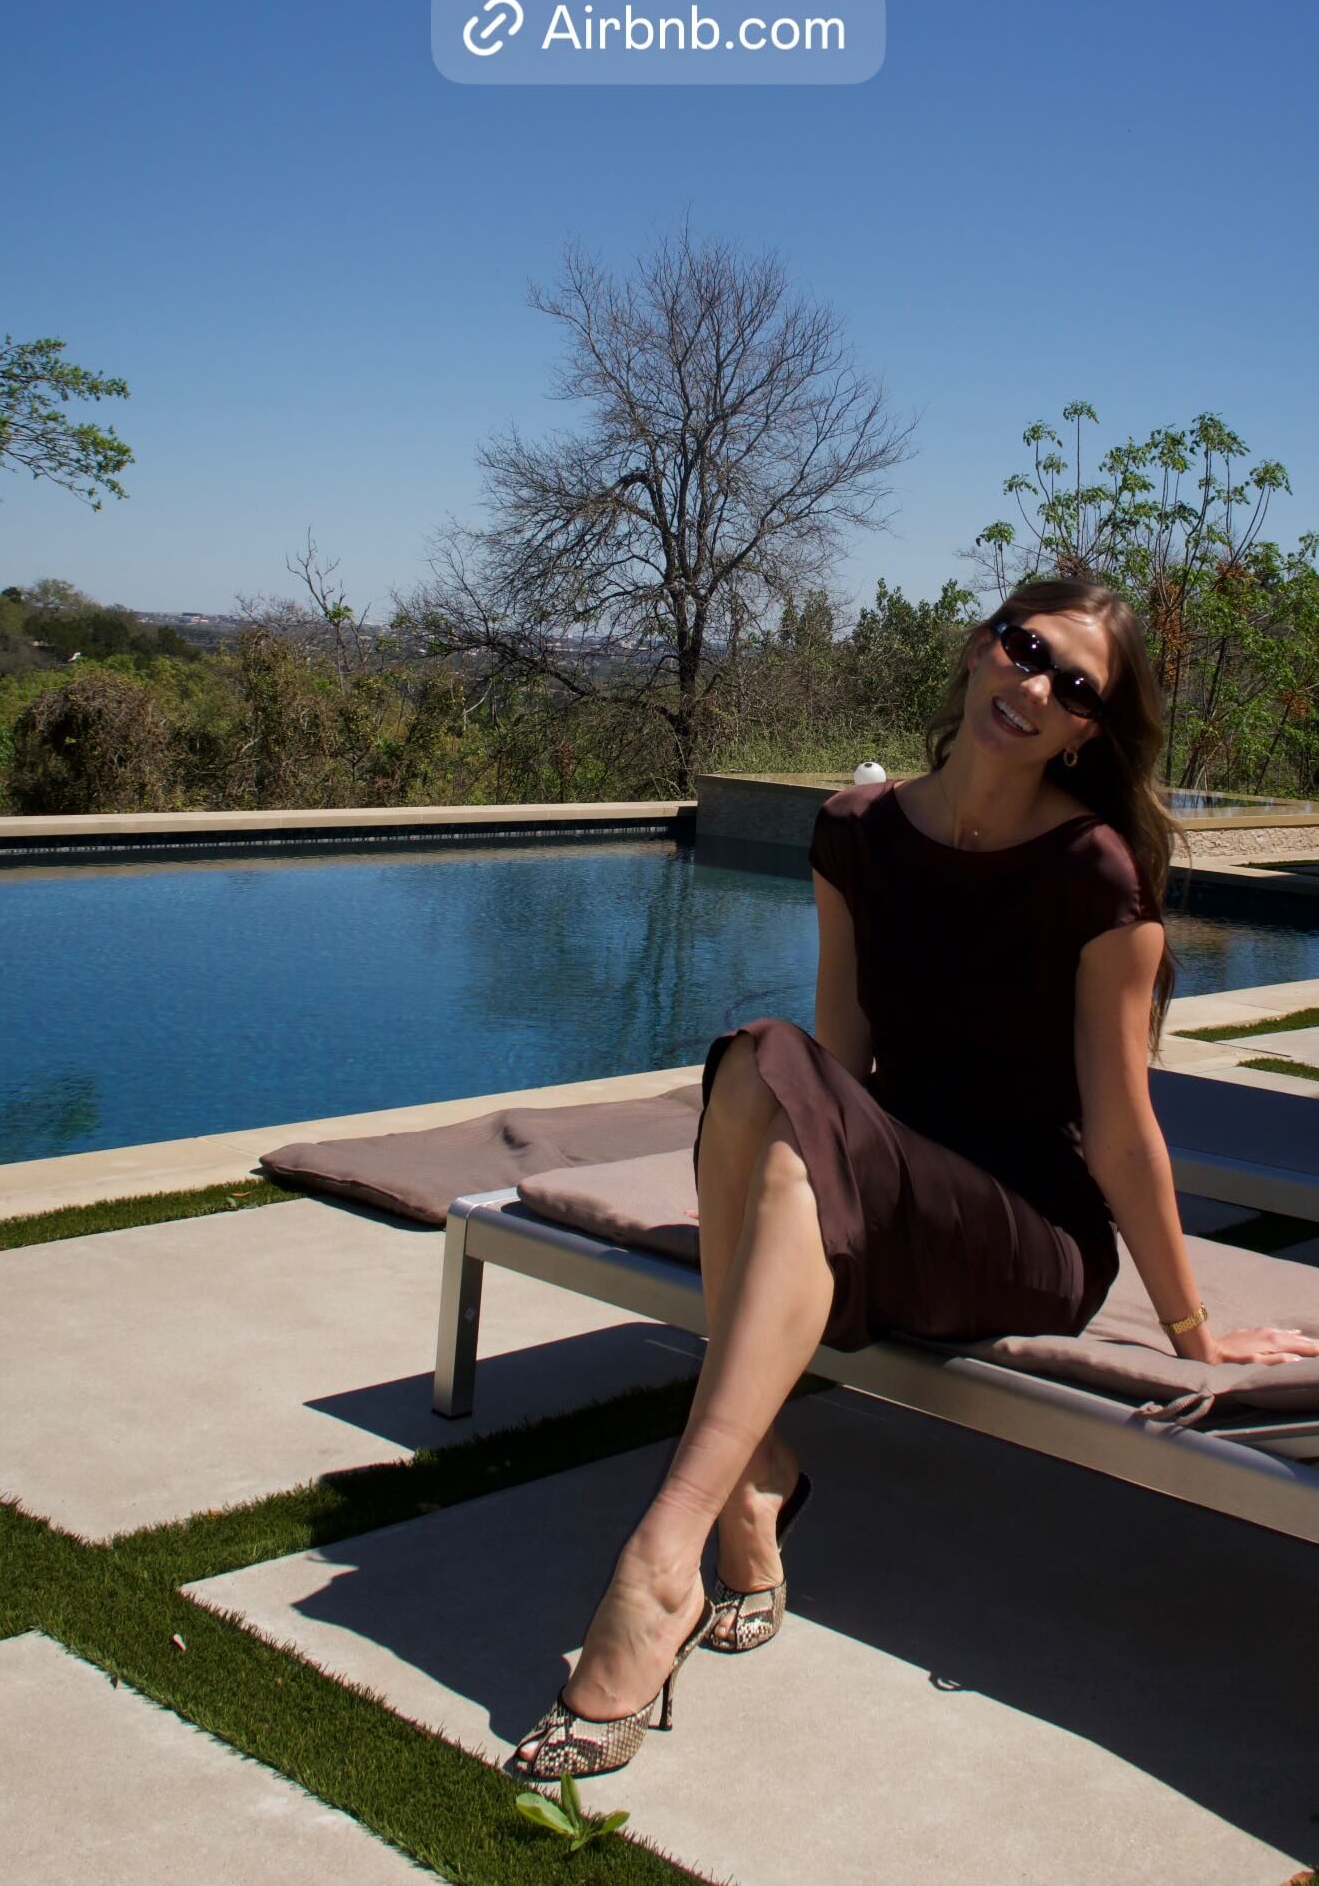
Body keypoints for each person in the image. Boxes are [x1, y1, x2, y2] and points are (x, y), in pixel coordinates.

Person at [512, 578, 1319, 1780]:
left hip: (1027, 1234)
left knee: (774, 1074)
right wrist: (766, 1188)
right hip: (890, 1197)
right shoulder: (855, 832)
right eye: (1025, 647)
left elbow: (1120, 1133)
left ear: (1086, 731)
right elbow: (837, 1060)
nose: (1036, 685)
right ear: (980, 647)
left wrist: (1193, 1331)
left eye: (1074, 686)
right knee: (762, 1058)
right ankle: (752, 1484)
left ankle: (661, 1559)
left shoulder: (1096, 874)